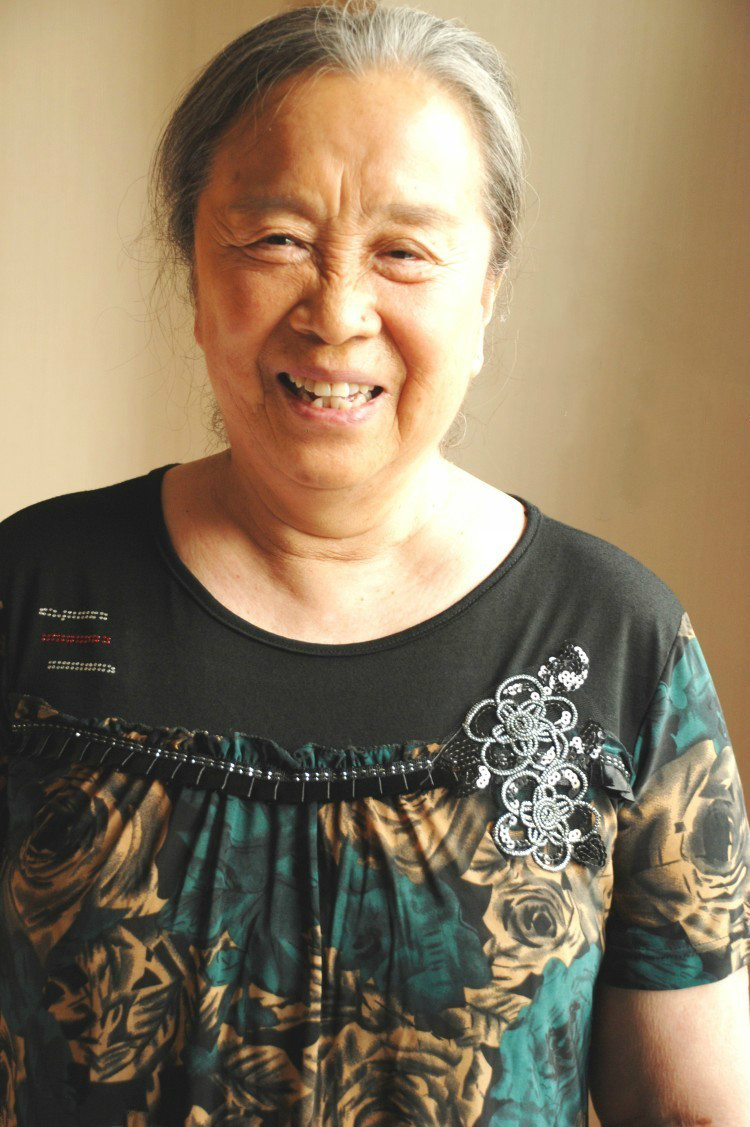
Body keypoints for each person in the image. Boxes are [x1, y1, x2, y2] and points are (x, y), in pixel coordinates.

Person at [0, 2, 748, 1124]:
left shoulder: (616, 641)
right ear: (194, 267)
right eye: (277, 240)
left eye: (404, 252)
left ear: (487, 291)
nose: (338, 313)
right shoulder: (32, 592)